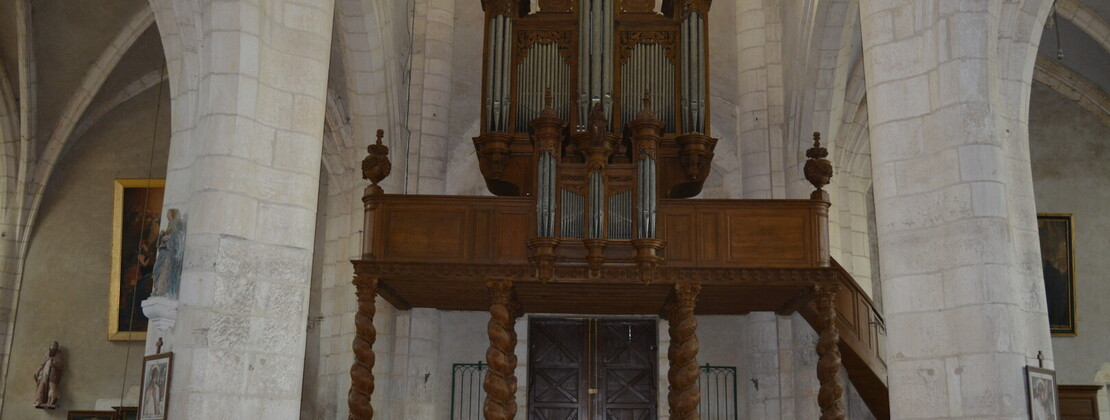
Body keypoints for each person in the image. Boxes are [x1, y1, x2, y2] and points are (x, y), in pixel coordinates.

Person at [32, 342, 62, 409]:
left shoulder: (59, 354)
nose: (54, 347)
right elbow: (42, 364)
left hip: (53, 374)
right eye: (52, 345)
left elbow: (61, 366)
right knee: (41, 385)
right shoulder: (46, 354)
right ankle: (39, 401)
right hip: (44, 372)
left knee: (52, 387)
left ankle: (51, 402)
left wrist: (54, 364)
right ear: (50, 346)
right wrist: (37, 371)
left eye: (55, 346)